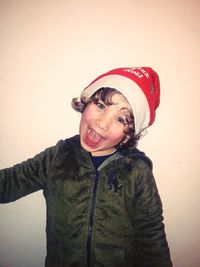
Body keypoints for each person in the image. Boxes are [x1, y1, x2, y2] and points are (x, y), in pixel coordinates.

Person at [0, 67, 172, 267]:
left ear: (129, 134)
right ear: (86, 101)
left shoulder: (137, 171)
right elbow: (9, 183)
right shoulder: (57, 157)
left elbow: (151, 237)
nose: (102, 122)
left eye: (120, 119)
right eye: (100, 105)